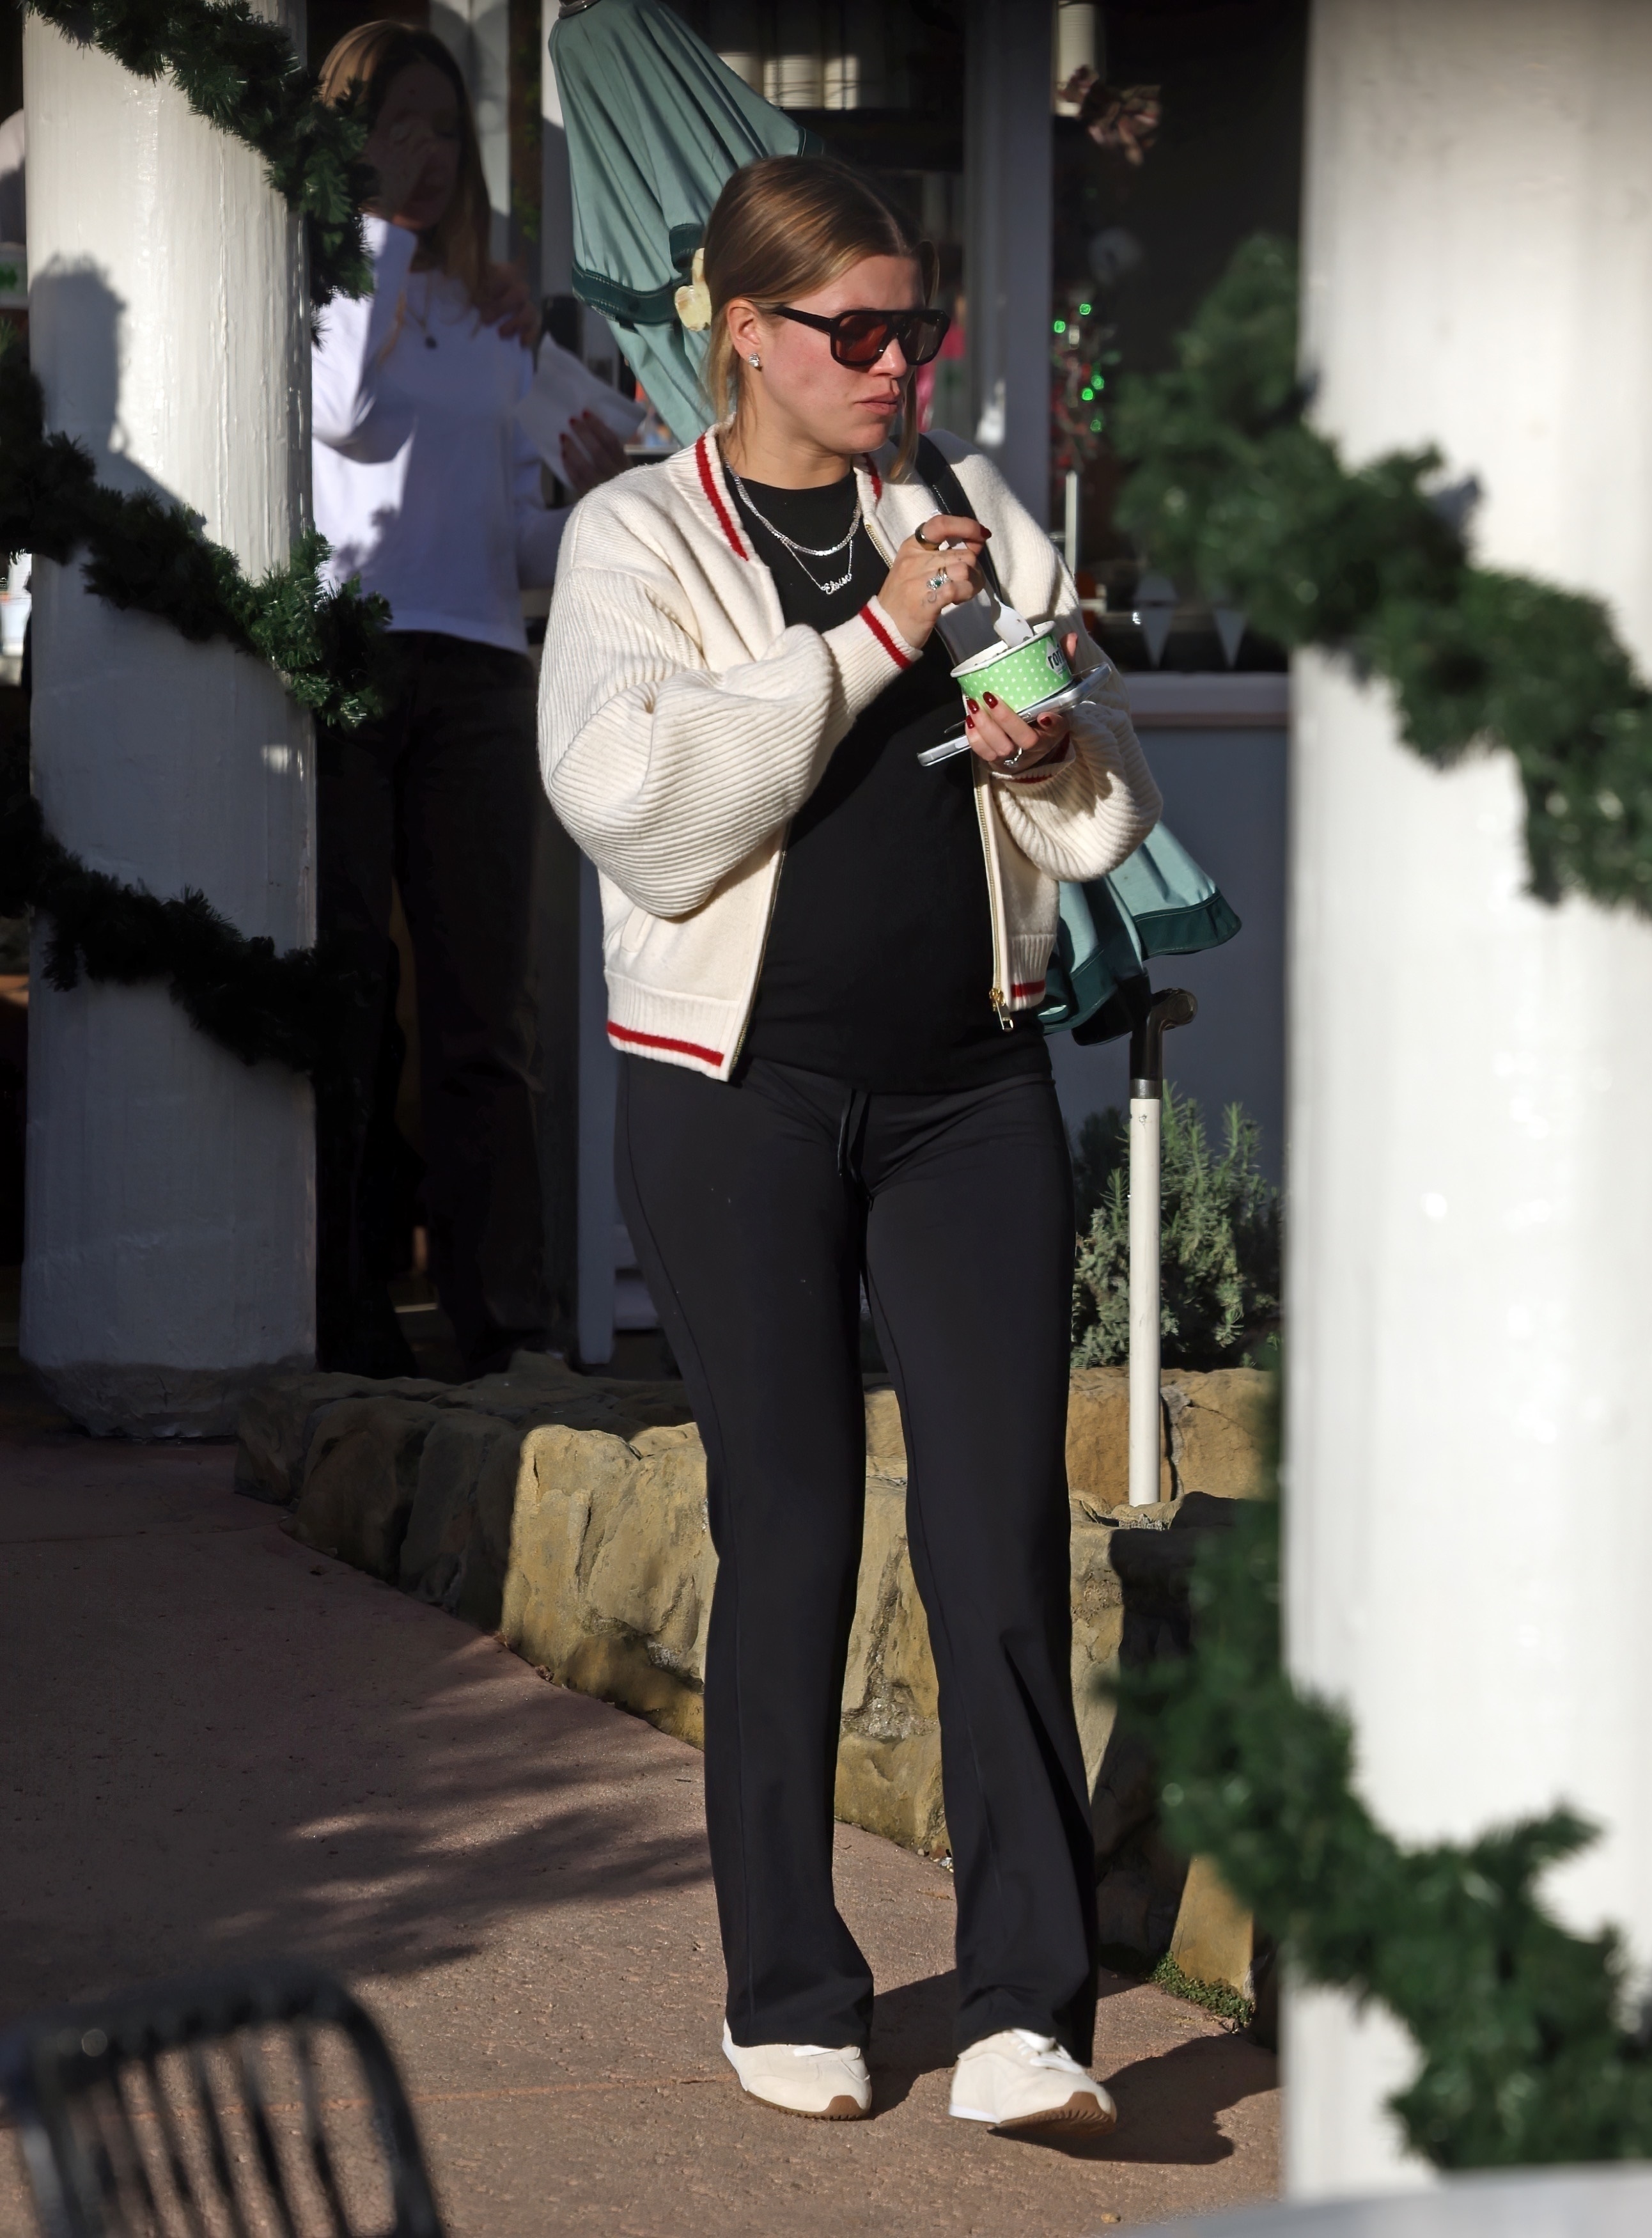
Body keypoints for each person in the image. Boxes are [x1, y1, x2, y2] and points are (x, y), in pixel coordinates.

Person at [540, 155, 1162, 2136]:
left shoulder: (978, 529)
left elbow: (1104, 822)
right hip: (736, 1099)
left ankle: (1023, 2011)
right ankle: (789, 1978)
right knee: (789, 1528)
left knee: (995, 1536)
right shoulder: (637, 534)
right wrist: (881, 641)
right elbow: (642, 810)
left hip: (971, 1093)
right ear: (745, 330)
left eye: (921, 328)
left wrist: (1048, 744)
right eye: (857, 331)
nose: (899, 364)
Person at [311, 22, 624, 1375]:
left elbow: (518, 534)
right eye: (400, 129)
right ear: (349, 141)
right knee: (343, 997)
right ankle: (340, 1314)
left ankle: (507, 1329)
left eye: (445, 131)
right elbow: (345, 421)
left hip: (485, 667)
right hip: (344, 661)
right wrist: (383, 235)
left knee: (484, 1016)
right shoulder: (328, 286)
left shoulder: (499, 324)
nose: (428, 156)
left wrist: (609, 506)